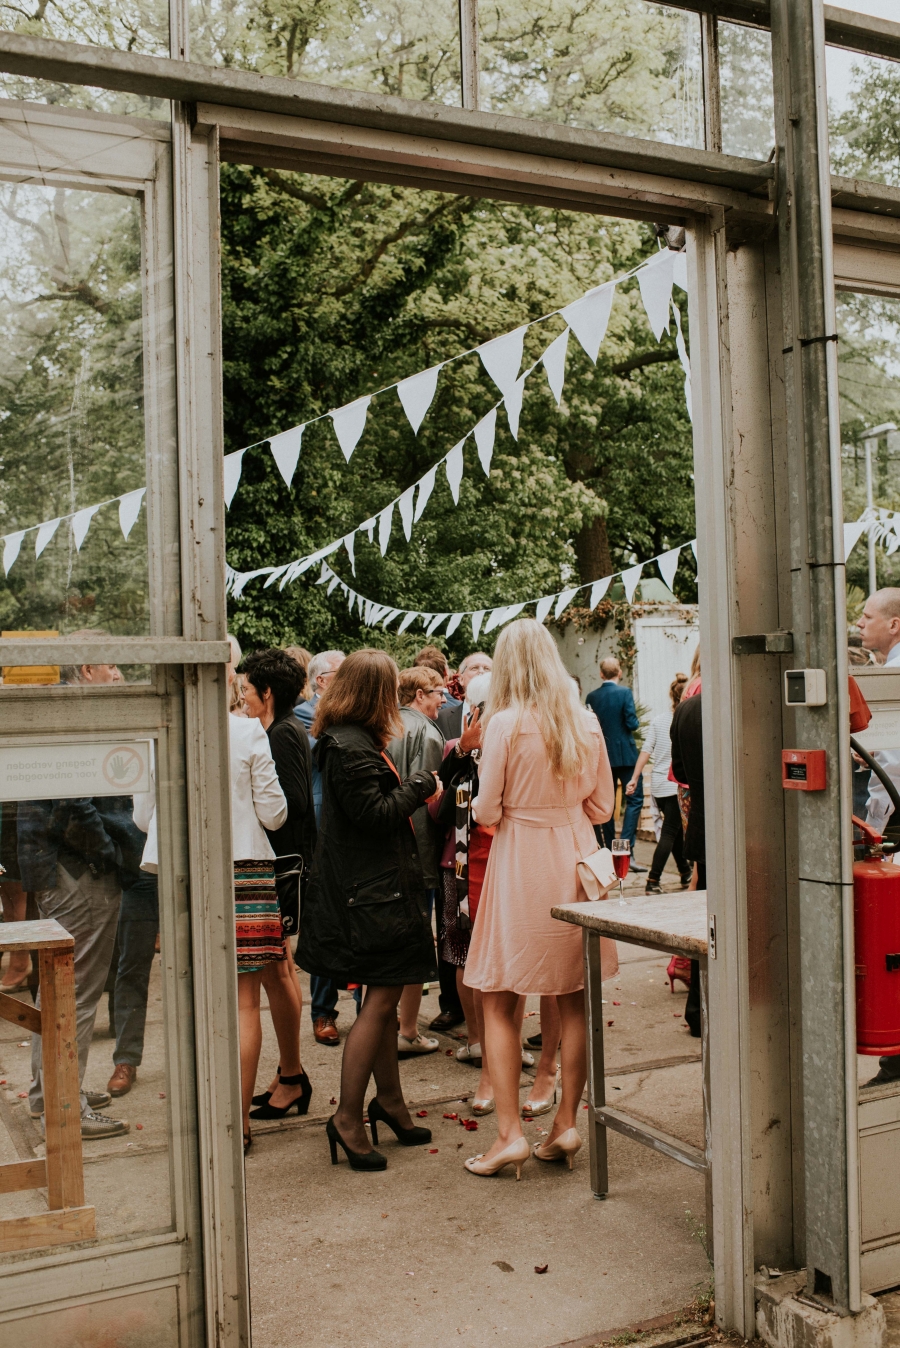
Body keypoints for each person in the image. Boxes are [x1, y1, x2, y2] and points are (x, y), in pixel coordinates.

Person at [462, 619, 616, 1180]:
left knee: (500, 996)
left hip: (522, 861)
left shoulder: (503, 724)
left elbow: (486, 810)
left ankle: (509, 1135)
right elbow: (602, 808)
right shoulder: (585, 719)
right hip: (576, 859)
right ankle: (566, 1124)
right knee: (574, 996)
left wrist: (515, 811)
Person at [298, 649, 439, 1171]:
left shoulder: (347, 739)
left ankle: (390, 1103)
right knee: (380, 1003)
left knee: (382, 998)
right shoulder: (349, 745)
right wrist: (422, 785)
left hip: (374, 890)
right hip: (371, 896)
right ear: (376, 694)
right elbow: (375, 815)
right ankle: (349, 1118)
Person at [240, 649, 318, 1122]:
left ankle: (291, 1076)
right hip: (280, 866)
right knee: (279, 969)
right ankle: (290, 1073)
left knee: (277, 970)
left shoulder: (283, 735)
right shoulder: (276, 730)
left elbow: (293, 807)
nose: (242, 698)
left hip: (282, 869)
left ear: (267, 693)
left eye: (247, 691)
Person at [224, 637, 289, 1153]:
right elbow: (274, 813)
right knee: (245, 1003)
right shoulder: (246, 731)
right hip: (245, 864)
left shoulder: (165, 724)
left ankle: (206, 1113)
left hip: (186, 868)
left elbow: (142, 817)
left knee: (196, 997)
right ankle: (239, 1124)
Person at [430, 650, 493, 1032]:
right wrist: (465, 750)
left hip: (495, 861)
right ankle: (473, 1033)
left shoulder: (509, 745)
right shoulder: (452, 746)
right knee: (460, 950)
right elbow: (437, 809)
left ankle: (488, 1035)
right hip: (458, 862)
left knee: (484, 952)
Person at [387, 667, 446, 1055]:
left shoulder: (387, 725)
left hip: (387, 843)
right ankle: (406, 1029)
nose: (444, 699)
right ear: (420, 694)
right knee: (416, 939)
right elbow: (427, 795)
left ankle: (392, 1025)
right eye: (439, 692)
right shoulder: (425, 732)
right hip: (416, 846)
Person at [856, 590, 900, 1085]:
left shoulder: (892, 675)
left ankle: (894, 1058)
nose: (860, 623)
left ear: (893, 624)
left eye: (868, 616)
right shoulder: (884, 667)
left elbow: (893, 763)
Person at [295, 650, 345, 1047]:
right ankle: (323, 1011)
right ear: (322, 681)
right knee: (327, 921)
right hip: (323, 828)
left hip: (357, 824)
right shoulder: (303, 718)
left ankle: (370, 1009)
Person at [625, 672, 692, 893]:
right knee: (670, 833)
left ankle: (684, 873)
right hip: (676, 784)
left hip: (659, 787)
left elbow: (646, 751)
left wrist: (634, 778)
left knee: (672, 832)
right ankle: (653, 880)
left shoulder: (659, 721)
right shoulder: (687, 719)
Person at [585, 657, 648, 872]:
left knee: (606, 803)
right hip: (626, 756)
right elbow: (632, 722)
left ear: (601, 674)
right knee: (635, 799)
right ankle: (626, 848)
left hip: (602, 756)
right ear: (619, 672)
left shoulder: (592, 697)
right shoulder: (624, 693)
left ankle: (609, 849)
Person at [669, 688, 705, 1038]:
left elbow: (679, 770)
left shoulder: (688, 709)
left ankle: (698, 1009)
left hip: (704, 829)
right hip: (753, 829)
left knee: (708, 921)